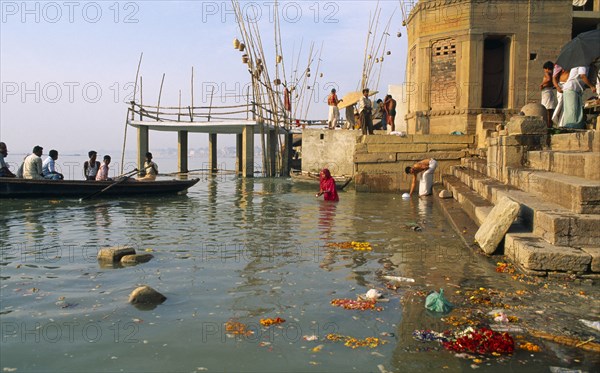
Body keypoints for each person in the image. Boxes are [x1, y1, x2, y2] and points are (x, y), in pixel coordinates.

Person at [540, 61, 557, 128]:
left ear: (547, 68)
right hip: (549, 90)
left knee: (546, 108)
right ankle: (550, 123)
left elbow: (548, 79)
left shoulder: (547, 73)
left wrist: (542, 84)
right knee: (550, 108)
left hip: (546, 91)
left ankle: (548, 124)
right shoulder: (552, 74)